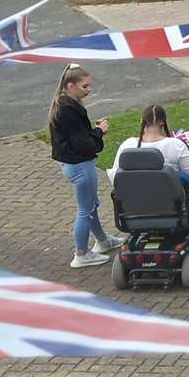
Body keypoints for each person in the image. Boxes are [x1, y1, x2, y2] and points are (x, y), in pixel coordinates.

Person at [110, 104, 189, 242]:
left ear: (142, 122)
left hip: (135, 209)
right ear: (162, 123)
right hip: (170, 207)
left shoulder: (127, 146)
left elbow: (115, 178)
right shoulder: (174, 145)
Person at [47, 64, 121, 268]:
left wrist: (92, 131)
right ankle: (81, 254)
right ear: (70, 85)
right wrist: (99, 132)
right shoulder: (68, 110)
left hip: (74, 165)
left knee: (91, 206)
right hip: (80, 166)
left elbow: (75, 137)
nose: (88, 90)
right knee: (85, 210)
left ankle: (103, 242)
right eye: (85, 86)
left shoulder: (64, 105)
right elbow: (81, 143)